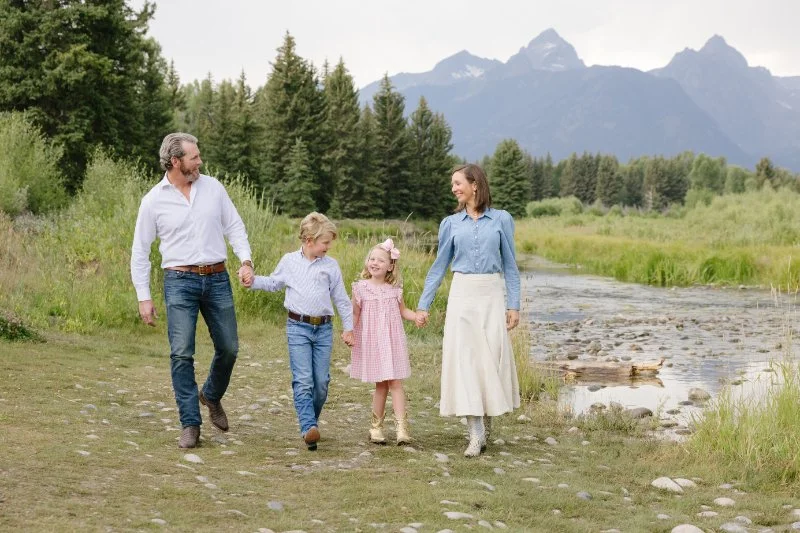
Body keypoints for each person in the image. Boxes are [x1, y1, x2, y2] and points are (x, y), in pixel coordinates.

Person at [131, 132, 254, 449]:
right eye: (194, 157)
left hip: (217, 278)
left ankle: (210, 394)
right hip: (179, 281)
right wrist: (144, 297)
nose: (200, 161)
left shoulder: (213, 188)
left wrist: (246, 260)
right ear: (176, 162)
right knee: (181, 352)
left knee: (229, 348)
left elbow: (235, 226)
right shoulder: (153, 201)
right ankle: (190, 423)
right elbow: (140, 252)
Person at [415, 163, 521, 457]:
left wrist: (514, 304)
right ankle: (475, 433)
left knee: (490, 360)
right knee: (466, 363)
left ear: (475, 185)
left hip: (491, 295)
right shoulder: (450, 223)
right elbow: (438, 268)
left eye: (458, 183)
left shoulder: (502, 220)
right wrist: (424, 305)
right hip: (462, 296)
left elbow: (511, 266)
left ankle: (486, 421)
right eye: (452, 184)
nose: (454, 188)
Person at [241, 212, 354, 451]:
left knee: (321, 383)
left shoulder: (330, 266)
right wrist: (253, 281)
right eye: (325, 243)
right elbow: (274, 283)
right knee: (303, 381)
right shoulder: (289, 262)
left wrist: (348, 328)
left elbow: (342, 300)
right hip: (298, 328)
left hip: (323, 329)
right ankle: (308, 427)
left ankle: (310, 421)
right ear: (309, 240)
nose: (328, 247)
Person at [350, 238, 418, 445]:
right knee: (381, 385)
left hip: (392, 340)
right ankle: (376, 427)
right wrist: (349, 333)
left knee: (396, 382)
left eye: (380, 260)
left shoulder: (395, 289)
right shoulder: (360, 288)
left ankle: (401, 428)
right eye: (372, 259)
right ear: (367, 262)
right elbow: (354, 314)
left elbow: (403, 311)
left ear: (390, 266)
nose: (375, 263)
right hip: (373, 341)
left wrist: (416, 317)